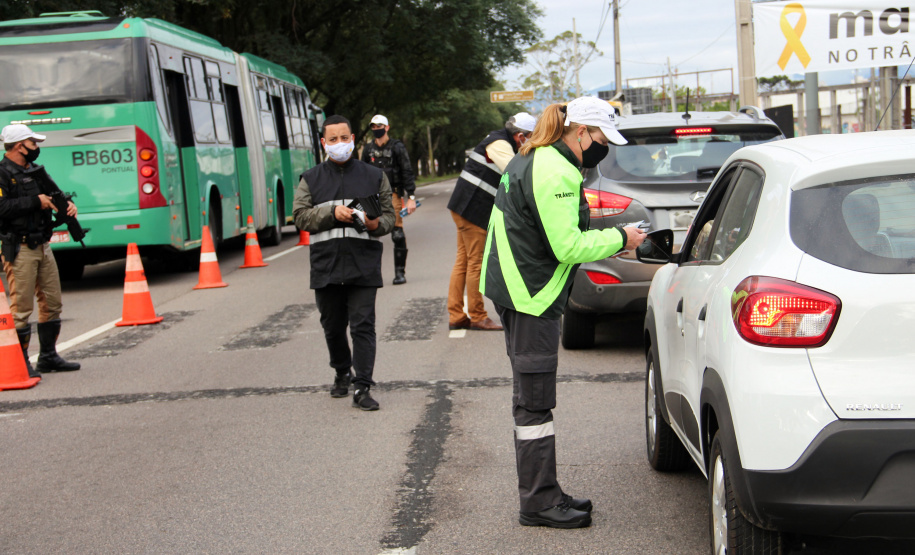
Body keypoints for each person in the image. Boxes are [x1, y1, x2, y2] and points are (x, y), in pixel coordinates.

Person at [481, 97, 647, 529]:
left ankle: (546, 491)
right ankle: (537, 503)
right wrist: (621, 239)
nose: (603, 147)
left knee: (532, 400)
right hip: (530, 295)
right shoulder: (555, 169)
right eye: (601, 138)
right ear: (579, 133)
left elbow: (553, 227)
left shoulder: (535, 157)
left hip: (517, 287)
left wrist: (609, 233)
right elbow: (567, 246)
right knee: (534, 405)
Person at [294, 115, 396, 411]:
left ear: (354, 139)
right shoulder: (310, 178)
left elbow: (389, 216)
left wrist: (376, 224)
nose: (340, 144)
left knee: (363, 325)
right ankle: (341, 371)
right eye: (333, 139)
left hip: (363, 263)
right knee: (333, 326)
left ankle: (362, 386)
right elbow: (300, 216)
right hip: (325, 264)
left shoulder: (374, 176)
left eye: (345, 138)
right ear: (323, 143)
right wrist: (331, 214)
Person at [0, 124, 81, 377]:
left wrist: (67, 204)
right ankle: (19, 361)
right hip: (19, 247)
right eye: (32, 143)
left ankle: (48, 357)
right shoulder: (1, 173)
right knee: (21, 308)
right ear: (17, 146)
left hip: (43, 245)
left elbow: (55, 194)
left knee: (53, 302)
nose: (37, 147)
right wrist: (36, 201)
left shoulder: (36, 171)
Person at [447, 112, 536, 332]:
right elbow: (516, 173)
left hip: (464, 206)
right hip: (473, 209)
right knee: (475, 262)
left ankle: (457, 314)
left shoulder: (500, 140)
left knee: (464, 262)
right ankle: (477, 316)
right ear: (520, 136)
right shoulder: (500, 143)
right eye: (531, 137)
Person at [361, 114, 416, 285]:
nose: (377, 129)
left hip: (393, 193)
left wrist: (411, 196)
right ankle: (369, 273)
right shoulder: (368, 149)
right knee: (368, 233)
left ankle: (400, 272)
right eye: (374, 126)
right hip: (372, 195)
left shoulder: (397, 147)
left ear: (387, 127)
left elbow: (407, 170)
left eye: (380, 126)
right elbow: (361, 173)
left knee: (397, 233)